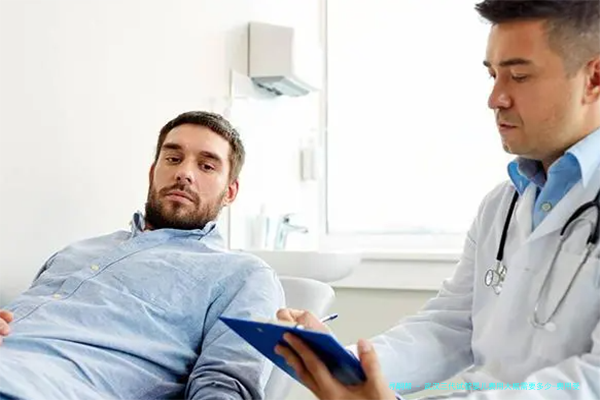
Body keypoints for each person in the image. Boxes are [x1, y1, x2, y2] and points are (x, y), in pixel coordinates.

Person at [275, 0, 600, 398]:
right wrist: (347, 364)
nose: (496, 98)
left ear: (594, 78)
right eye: (493, 75)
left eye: (519, 76)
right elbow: (451, 326)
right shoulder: (503, 204)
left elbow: (591, 382)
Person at [0, 111, 285, 400]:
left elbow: (225, 386)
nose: (184, 173)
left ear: (230, 192)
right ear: (152, 173)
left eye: (207, 166)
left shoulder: (244, 275)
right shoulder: (76, 251)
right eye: (173, 158)